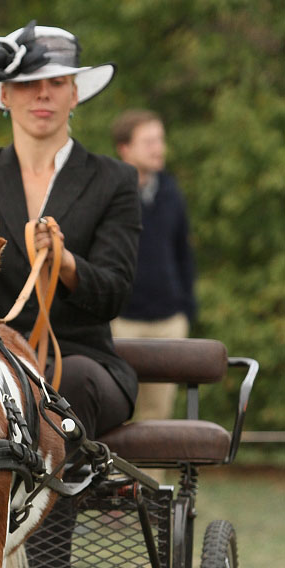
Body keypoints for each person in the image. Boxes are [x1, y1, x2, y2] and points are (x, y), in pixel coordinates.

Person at [0, 22, 141, 568]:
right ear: (4, 95)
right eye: (27, 84)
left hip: (83, 360)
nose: (41, 95)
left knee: (61, 385)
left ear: (76, 92)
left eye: (55, 83)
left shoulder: (114, 180)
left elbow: (115, 292)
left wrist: (67, 262)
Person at [111, 109, 197, 422]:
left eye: (160, 139)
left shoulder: (171, 192)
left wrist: (186, 309)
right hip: (122, 322)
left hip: (169, 322)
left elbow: (183, 254)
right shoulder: (109, 193)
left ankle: (152, 476)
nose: (158, 148)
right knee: (120, 414)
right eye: (148, 141)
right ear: (125, 149)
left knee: (159, 418)